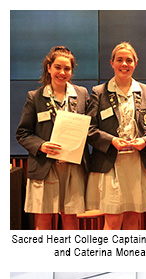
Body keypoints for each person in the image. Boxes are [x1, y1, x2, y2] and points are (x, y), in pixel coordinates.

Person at [85, 42, 146, 229]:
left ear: (136, 63)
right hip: (111, 163)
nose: (124, 64)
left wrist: (145, 141)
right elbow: (89, 128)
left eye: (129, 60)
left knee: (132, 219)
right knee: (112, 220)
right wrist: (111, 140)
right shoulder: (99, 92)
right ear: (112, 62)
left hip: (138, 163)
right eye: (119, 60)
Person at [16, 46, 89, 230]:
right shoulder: (35, 97)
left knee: (71, 220)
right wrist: (41, 146)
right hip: (44, 167)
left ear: (72, 71)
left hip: (73, 168)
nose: (62, 73)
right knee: (43, 221)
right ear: (49, 68)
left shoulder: (81, 95)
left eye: (67, 69)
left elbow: (91, 129)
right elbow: (23, 133)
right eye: (58, 67)